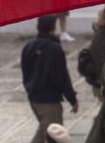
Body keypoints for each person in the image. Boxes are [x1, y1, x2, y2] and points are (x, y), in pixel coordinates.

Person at [21, 15, 79, 143]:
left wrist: (29, 88)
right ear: (54, 27)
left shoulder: (29, 46)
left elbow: (25, 73)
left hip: (34, 98)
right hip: (49, 100)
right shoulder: (54, 48)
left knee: (46, 133)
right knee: (51, 135)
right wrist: (72, 99)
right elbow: (61, 77)